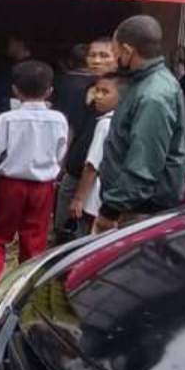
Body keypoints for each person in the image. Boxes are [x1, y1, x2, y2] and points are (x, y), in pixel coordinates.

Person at [0, 61, 67, 323]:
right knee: (34, 242)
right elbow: (59, 154)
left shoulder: (7, 119)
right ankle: (25, 299)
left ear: (15, 91)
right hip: (43, 187)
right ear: (50, 91)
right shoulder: (59, 120)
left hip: (9, 186)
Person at [94, 16, 185, 234]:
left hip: (139, 209)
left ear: (127, 51)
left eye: (115, 51)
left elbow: (144, 163)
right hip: (132, 204)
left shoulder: (154, 94)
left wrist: (111, 210)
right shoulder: (143, 83)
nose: (114, 58)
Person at [52, 37, 117, 240]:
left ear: (117, 58)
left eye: (103, 55)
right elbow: (71, 129)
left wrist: (80, 196)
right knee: (63, 230)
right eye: (92, 55)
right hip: (73, 172)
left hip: (98, 179)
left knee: (87, 240)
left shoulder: (122, 94)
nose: (96, 60)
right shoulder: (82, 91)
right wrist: (60, 167)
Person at [68, 74, 121, 234]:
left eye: (105, 92)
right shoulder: (128, 121)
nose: (98, 96)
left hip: (95, 199)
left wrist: (78, 199)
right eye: (96, 90)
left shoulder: (105, 124)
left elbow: (92, 165)